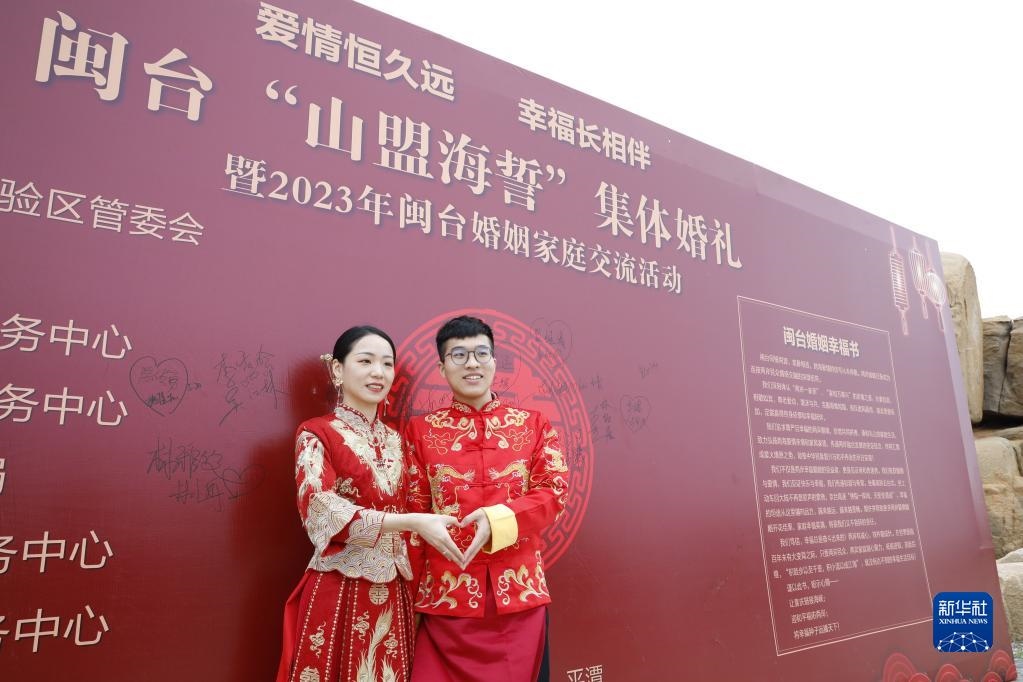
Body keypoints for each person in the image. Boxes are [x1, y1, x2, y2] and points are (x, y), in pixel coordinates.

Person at [277, 326, 465, 682]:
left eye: (387, 364)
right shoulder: (316, 432)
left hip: (395, 590)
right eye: (365, 361)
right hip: (340, 584)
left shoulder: (398, 441)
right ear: (337, 369)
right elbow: (318, 508)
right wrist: (409, 522)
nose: (378, 372)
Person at [403, 315, 569, 682]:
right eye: (458, 355)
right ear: (442, 367)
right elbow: (414, 516)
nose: (472, 363)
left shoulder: (533, 425)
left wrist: (498, 519)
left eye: (481, 353)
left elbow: (553, 494)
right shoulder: (420, 432)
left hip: (519, 600)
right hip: (445, 604)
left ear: (494, 362)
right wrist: (409, 602)